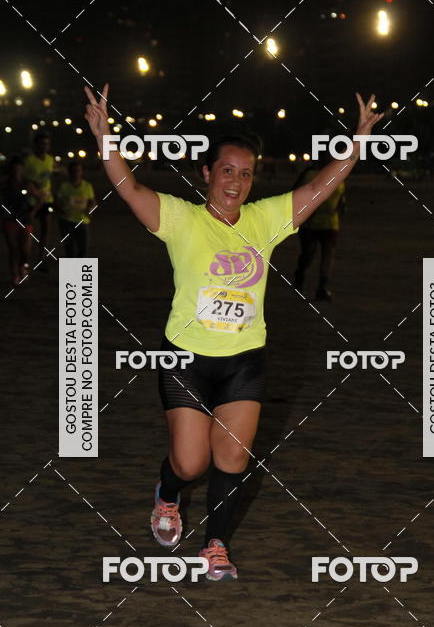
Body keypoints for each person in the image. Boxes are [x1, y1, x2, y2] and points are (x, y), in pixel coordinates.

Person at [84, 83, 383, 581]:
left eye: (246, 174)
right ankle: (167, 494)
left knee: (232, 457)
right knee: (189, 463)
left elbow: (319, 188)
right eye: (227, 170)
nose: (237, 182)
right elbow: (129, 188)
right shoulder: (181, 219)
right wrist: (104, 137)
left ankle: (215, 545)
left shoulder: (266, 219)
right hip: (185, 361)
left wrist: (357, 143)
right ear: (206, 173)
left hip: (244, 360)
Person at [293, 154, 346, 301]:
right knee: (308, 254)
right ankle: (300, 276)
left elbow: (341, 195)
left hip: (330, 223)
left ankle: (321, 288)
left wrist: (341, 205)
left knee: (328, 254)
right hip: (310, 222)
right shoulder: (310, 175)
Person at [0, 157, 36, 284]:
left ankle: (23, 268)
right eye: (14, 169)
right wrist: (0, 209)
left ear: (22, 170)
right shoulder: (4, 184)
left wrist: (34, 211)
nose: (17, 171)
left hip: (25, 219)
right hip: (9, 219)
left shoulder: (28, 184)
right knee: (13, 249)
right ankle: (15, 274)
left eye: (19, 168)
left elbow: (40, 197)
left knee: (25, 250)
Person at [23, 132, 61, 270]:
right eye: (42, 144)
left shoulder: (50, 160)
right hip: (31, 200)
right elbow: (26, 180)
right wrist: (34, 191)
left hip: (46, 199)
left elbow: (52, 176)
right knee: (28, 231)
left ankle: (41, 259)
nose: (45, 146)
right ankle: (25, 259)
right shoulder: (29, 160)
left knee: (46, 229)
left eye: (47, 144)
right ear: (36, 145)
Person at [56, 161, 95, 256]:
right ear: (69, 172)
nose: (76, 173)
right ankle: (71, 266)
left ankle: (79, 266)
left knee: (83, 250)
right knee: (70, 250)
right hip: (66, 221)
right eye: (73, 170)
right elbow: (56, 201)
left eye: (78, 170)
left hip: (82, 221)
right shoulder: (64, 186)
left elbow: (92, 202)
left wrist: (90, 209)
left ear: (81, 172)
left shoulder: (87, 186)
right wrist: (61, 209)